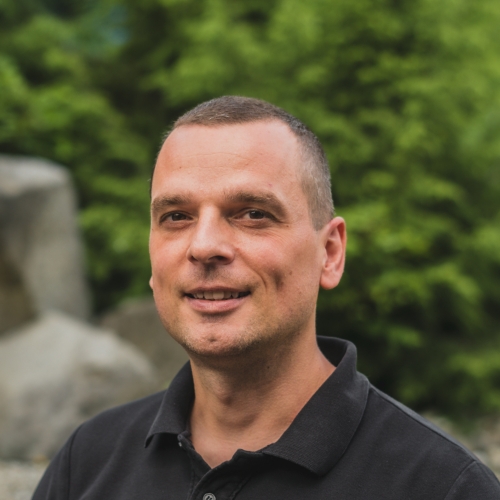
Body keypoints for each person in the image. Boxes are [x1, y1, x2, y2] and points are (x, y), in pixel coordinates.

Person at [33, 96, 500, 500]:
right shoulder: (86, 464)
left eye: (253, 214)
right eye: (176, 216)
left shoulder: (442, 486)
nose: (204, 246)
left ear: (330, 254)